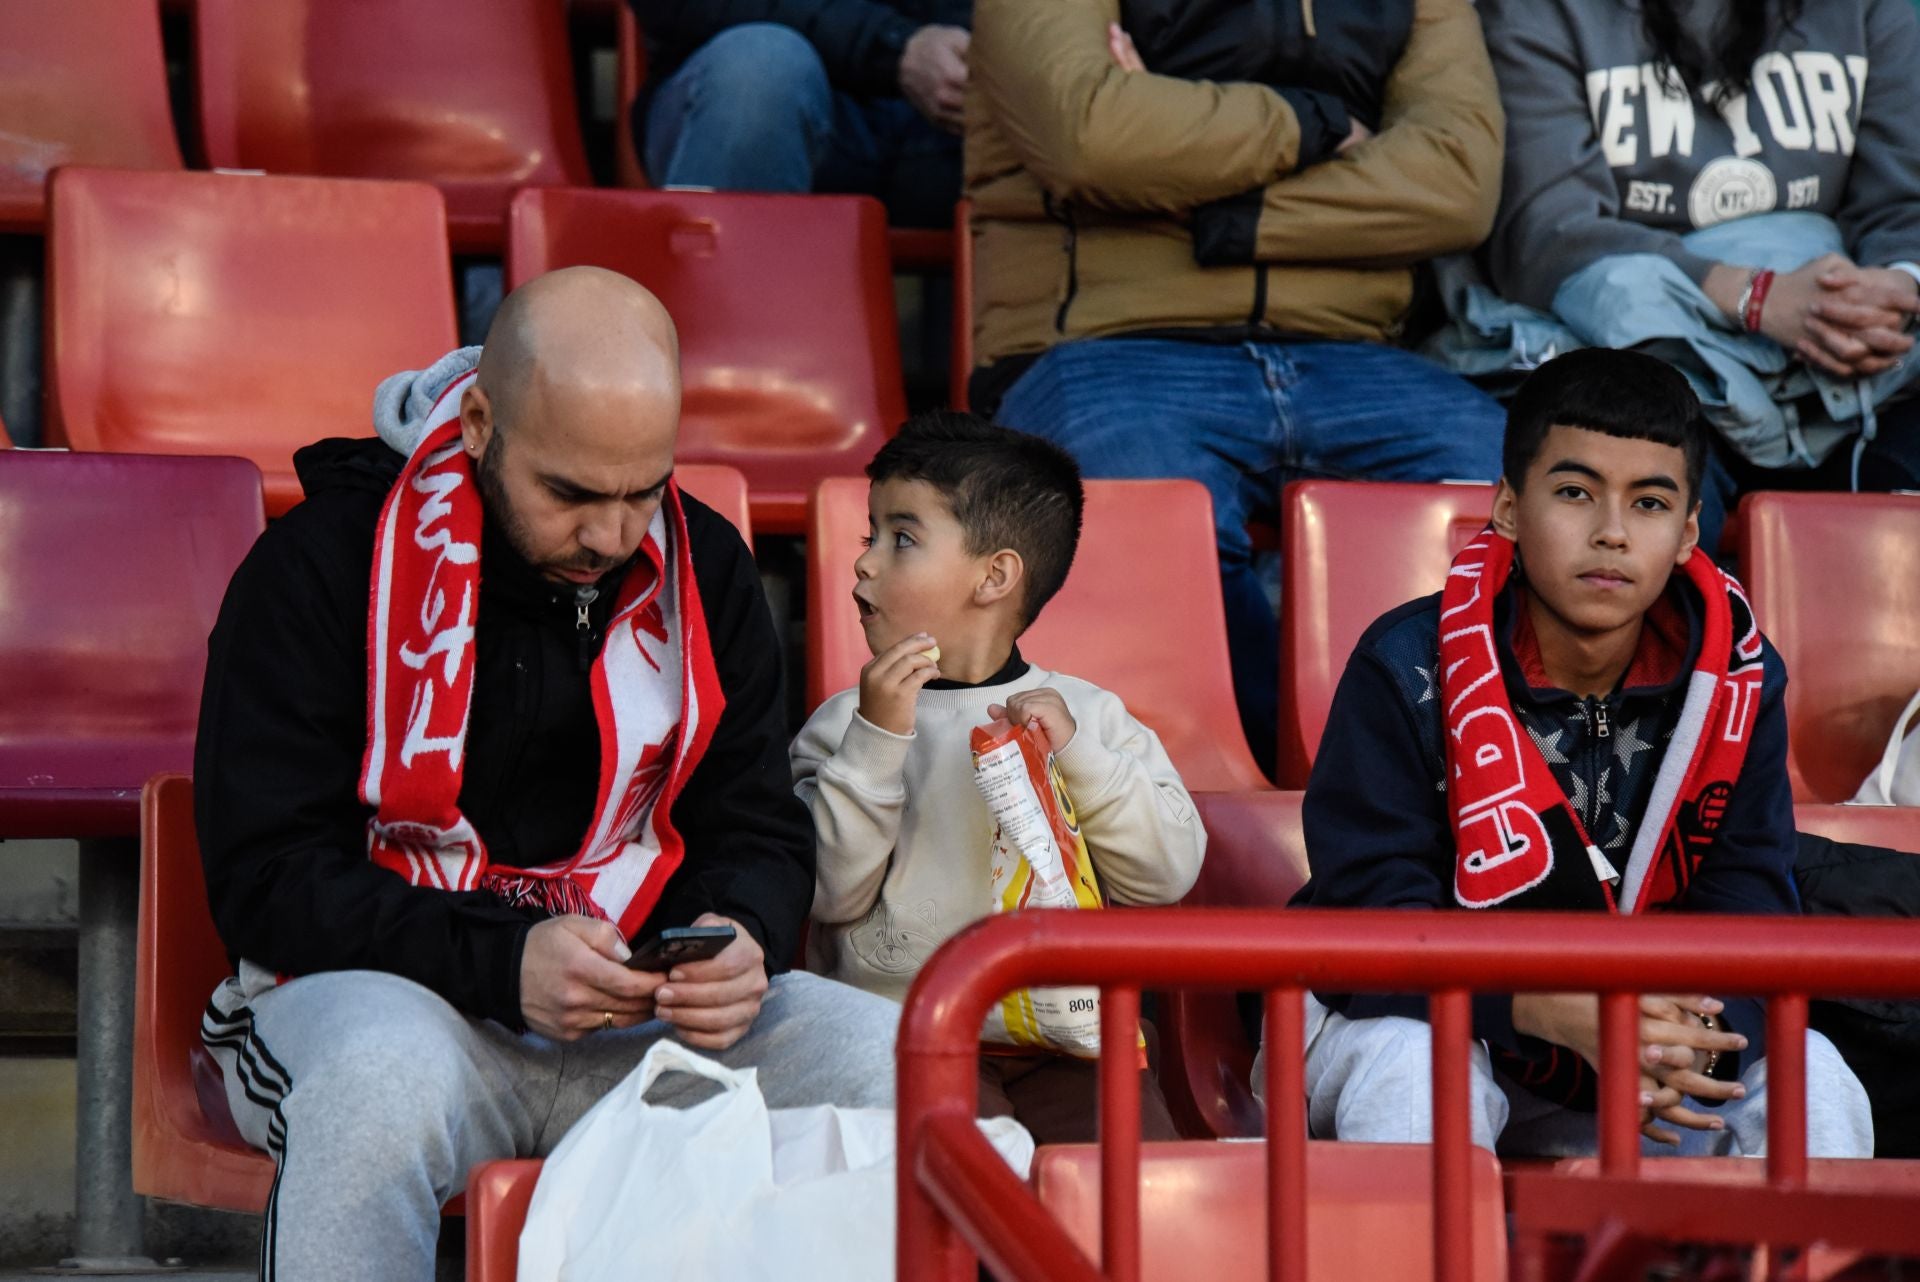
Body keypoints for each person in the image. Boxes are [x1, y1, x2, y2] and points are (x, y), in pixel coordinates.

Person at [194, 267, 901, 1280]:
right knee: (373, 1085)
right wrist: (504, 961)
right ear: (481, 421)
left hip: (644, 1020)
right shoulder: (319, 565)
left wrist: (739, 933)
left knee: (892, 1060)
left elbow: (755, 821)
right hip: (405, 1003)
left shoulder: (703, 564)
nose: (612, 537)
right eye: (570, 492)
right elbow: (266, 876)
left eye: (643, 490)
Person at [1271, 348, 1872, 1157]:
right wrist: (1543, 1004)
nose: (1613, 532)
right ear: (1511, 510)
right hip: (1410, 1023)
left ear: (1689, 530)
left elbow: (1752, 909)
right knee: (1415, 1067)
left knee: (1815, 1078)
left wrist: (1683, 1035)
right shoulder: (1407, 663)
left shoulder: (1739, 679)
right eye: (1575, 493)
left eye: (1650, 502)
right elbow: (1370, 926)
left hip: (1637, 1055)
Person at [966, 0, 1512, 776]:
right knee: (1149, 510)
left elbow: (1459, 181)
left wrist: (1206, 188)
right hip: (1111, 345)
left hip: (1349, 352)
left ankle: (1411, 789)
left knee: (1519, 493)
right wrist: (1319, 123)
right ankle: (1256, 784)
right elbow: (1090, 136)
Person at [790, 411, 1205, 1142]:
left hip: (1074, 1047)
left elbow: (1165, 873)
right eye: (869, 536)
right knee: (961, 1196)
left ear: (996, 576)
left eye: (903, 538)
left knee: (1131, 1204)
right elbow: (827, 892)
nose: (864, 563)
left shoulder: (1088, 717)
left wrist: (1080, 757)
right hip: (904, 1039)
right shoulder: (841, 725)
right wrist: (879, 738)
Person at [1438, 0, 1920, 554]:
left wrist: (1892, 287)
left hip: (1840, 368)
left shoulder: (1868, 9)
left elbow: (1903, 203)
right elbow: (1547, 234)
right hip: (1643, 358)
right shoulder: (1539, 11)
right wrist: (1754, 297)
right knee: (1648, 511)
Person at [629, 0, 968, 228]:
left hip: (946, 120)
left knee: (1009, 88)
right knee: (762, 69)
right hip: (747, 95)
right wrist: (893, 45)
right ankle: (718, 325)